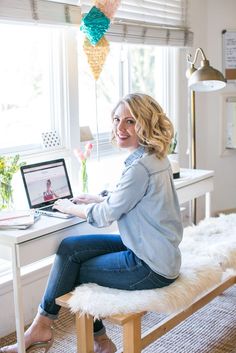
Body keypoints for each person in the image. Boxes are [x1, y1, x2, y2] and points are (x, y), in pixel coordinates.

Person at [0, 93, 183, 353]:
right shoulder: (153, 158)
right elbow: (134, 200)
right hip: (154, 250)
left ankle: (55, 332)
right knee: (70, 248)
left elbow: (104, 216)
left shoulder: (139, 167)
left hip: (150, 265)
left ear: (146, 123)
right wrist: (98, 198)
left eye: (130, 121)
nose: (120, 128)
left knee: (74, 272)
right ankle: (81, 336)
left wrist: (69, 207)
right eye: (117, 119)